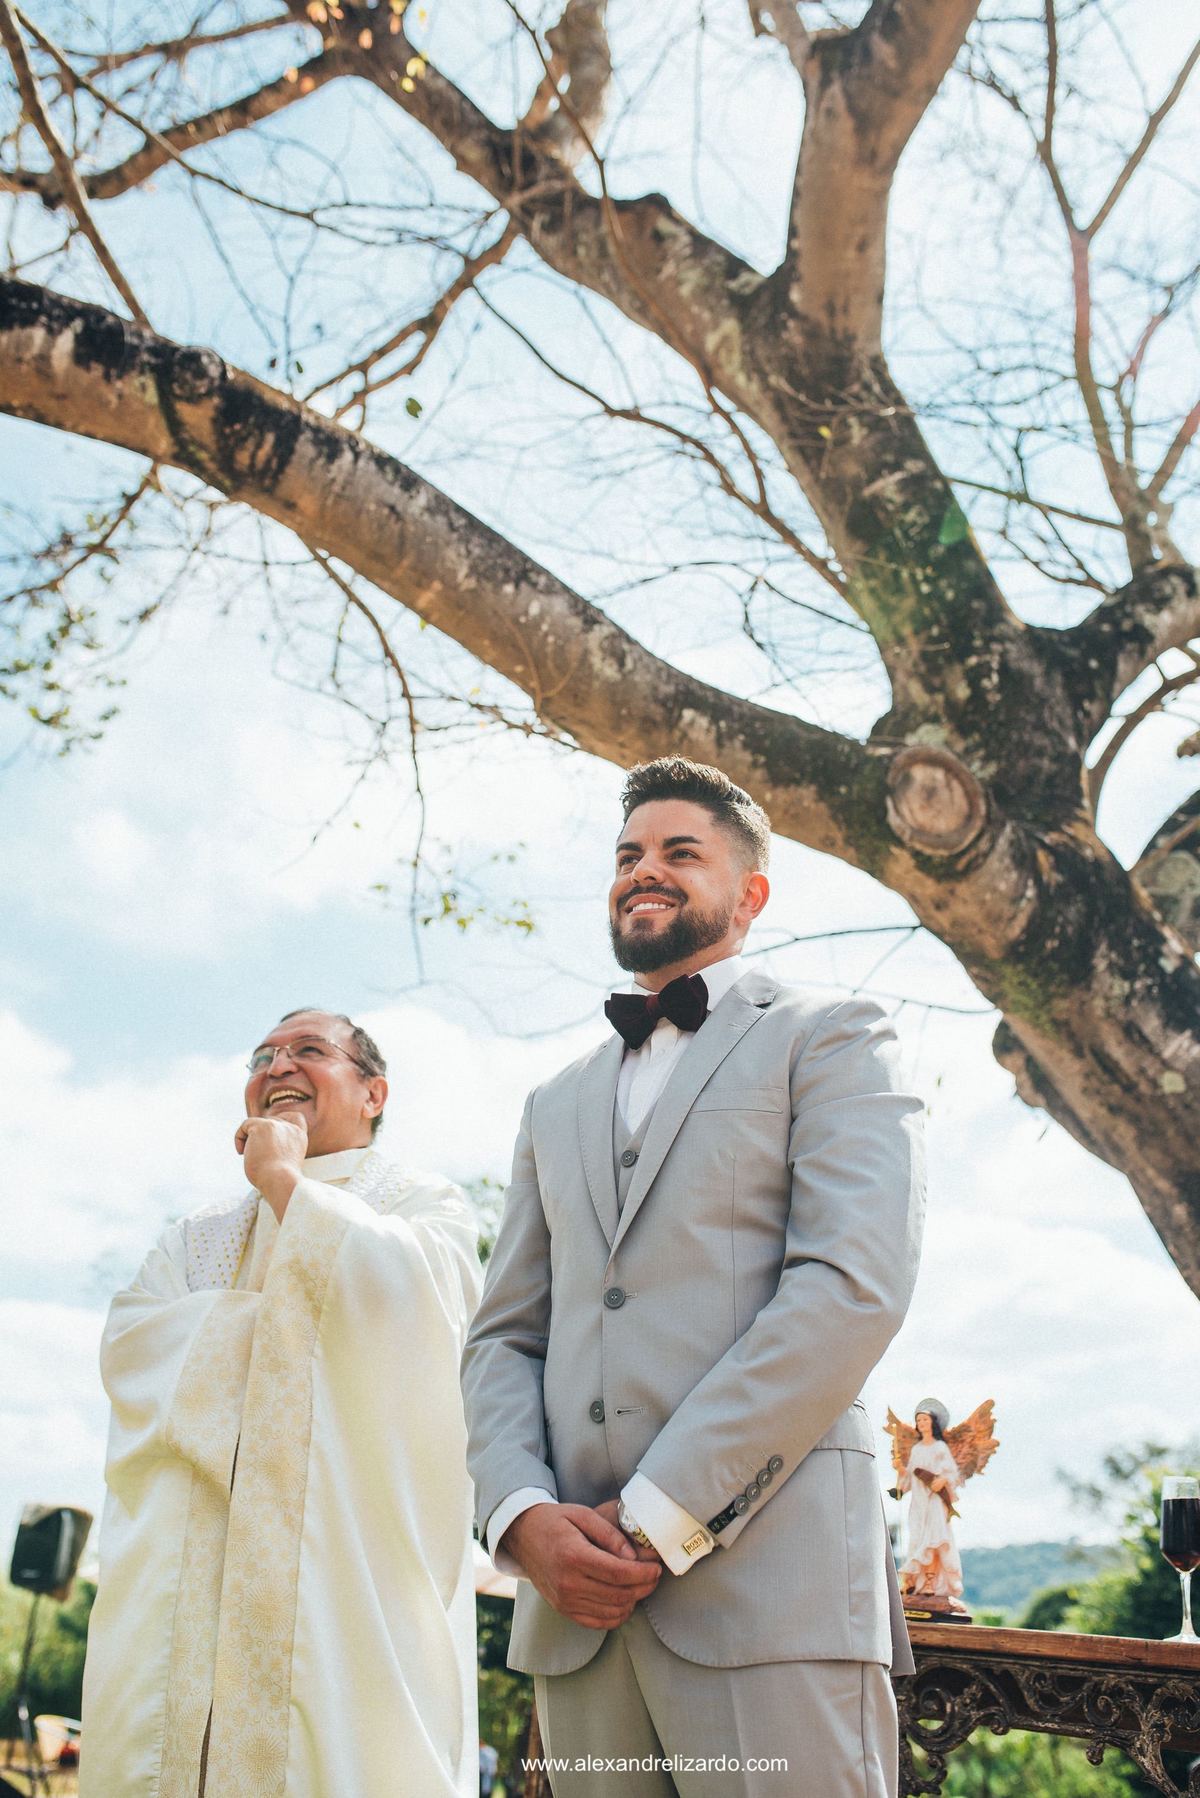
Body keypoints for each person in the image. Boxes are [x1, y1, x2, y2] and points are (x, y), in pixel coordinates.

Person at [462, 758, 925, 1798]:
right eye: (628, 855)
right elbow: (503, 1337)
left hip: (774, 1597)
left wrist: (663, 1511)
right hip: (577, 1620)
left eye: (680, 851)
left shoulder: (834, 1036)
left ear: (751, 893)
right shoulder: (553, 1100)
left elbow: (853, 1285)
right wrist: (521, 1514)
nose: (643, 871)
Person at [80, 1007, 482, 1798]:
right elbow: (132, 1349)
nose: (277, 1067)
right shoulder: (194, 1238)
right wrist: (286, 1328)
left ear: (374, 1094)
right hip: (182, 1607)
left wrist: (285, 1184)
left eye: (308, 1050)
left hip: (348, 1596)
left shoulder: (422, 1204)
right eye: (262, 1056)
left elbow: (421, 1329)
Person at [896, 1401, 963, 1604]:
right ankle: (915, 1582)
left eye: (925, 1419)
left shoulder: (940, 1447)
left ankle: (931, 1584)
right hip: (919, 1502)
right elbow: (909, 1477)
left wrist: (942, 1479)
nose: (921, 1423)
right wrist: (900, 1478)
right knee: (917, 1537)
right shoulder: (916, 1449)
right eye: (918, 1420)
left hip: (934, 1500)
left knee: (935, 1538)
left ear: (932, 1423)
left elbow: (951, 1473)